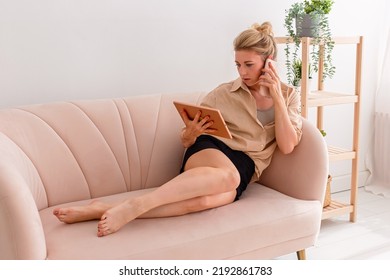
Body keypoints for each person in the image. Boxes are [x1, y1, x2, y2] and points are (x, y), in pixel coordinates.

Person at [53, 21, 302, 237]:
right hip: (211, 150)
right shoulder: (223, 93)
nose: (242, 72)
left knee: (203, 201)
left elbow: (288, 145)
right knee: (228, 177)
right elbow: (186, 139)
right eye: (237, 64)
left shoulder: (290, 96)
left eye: (249, 64)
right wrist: (191, 133)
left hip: (246, 165)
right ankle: (134, 206)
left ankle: (102, 208)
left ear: (269, 63)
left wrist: (278, 97)